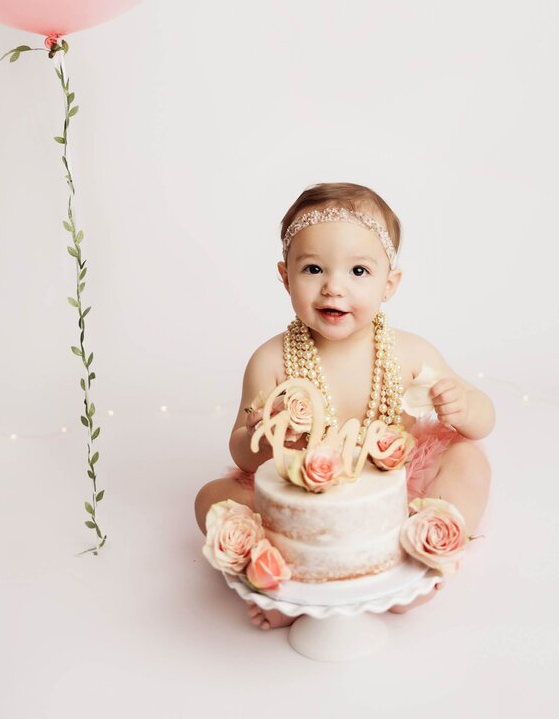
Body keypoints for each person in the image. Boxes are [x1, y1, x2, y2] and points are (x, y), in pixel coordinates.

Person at [194, 182, 494, 630]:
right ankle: (272, 575)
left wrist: (463, 405)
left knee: (469, 457)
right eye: (313, 268)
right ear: (285, 276)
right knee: (211, 499)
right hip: (299, 495)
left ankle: (423, 554)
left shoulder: (411, 353)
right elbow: (241, 449)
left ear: (389, 283)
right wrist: (267, 436)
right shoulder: (271, 360)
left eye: (358, 272)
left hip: (394, 491)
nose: (334, 288)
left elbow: (484, 418)